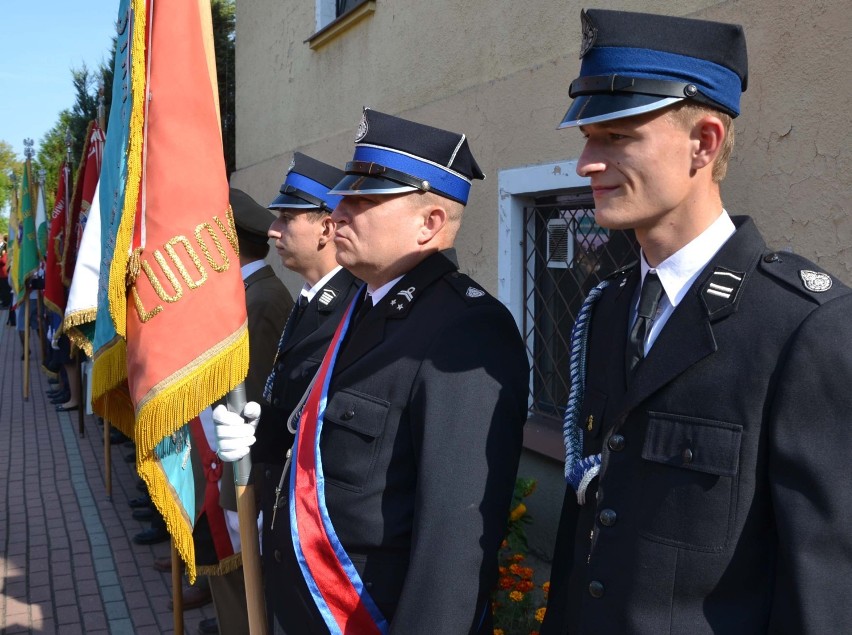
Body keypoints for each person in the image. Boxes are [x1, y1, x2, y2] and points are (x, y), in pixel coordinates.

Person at [541, 9, 852, 635]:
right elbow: (590, 520)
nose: (585, 164)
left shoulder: (800, 327)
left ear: (704, 143)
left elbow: (823, 593)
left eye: (617, 137)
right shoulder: (609, 307)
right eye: (587, 138)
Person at [215, 109, 530, 634]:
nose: (336, 212)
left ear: (429, 224)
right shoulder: (360, 307)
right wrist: (259, 433)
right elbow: (324, 445)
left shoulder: (464, 330)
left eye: (363, 200)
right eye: (343, 196)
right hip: (306, 607)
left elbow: (451, 551)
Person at [196, 188, 294, 635]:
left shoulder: (260, 300)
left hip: (243, 461)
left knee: (243, 575)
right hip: (229, 457)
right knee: (232, 576)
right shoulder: (246, 293)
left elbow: (250, 395)